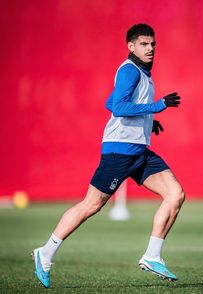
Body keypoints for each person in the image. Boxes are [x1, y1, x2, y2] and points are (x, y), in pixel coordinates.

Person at [32, 23, 185, 288]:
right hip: (119, 150)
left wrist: (147, 121)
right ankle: (44, 254)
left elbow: (110, 102)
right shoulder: (129, 70)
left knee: (175, 195)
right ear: (131, 46)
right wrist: (157, 107)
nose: (150, 48)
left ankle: (152, 255)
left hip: (139, 151)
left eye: (153, 44)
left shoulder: (143, 73)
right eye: (144, 44)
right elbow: (118, 107)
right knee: (91, 205)